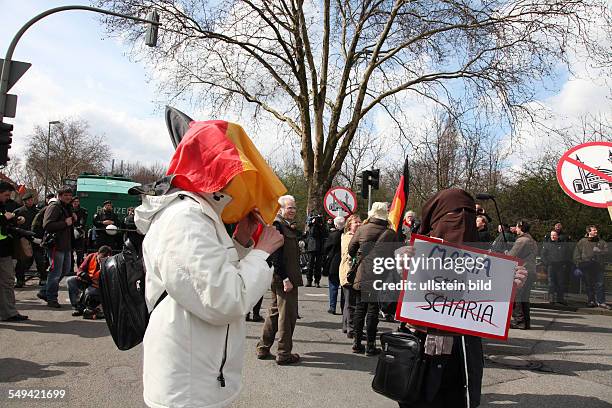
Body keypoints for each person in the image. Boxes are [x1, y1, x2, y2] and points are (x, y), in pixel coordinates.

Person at [137, 113, 286, 408]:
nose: (235, 181)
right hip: (189, 385)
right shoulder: (186, 219)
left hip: (198, 373)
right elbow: (223, 299)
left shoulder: (197, 214)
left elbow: (214, 273)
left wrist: (241, 242)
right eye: (229, 169)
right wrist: (261, 253)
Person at [397, 188, 527, 408]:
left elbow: (489, 311)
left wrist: (511, 286)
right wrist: (400, 270)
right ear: (437, 218)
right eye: (454, 213)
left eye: (468, 214)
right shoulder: (413, 253)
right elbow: (386, 305)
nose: (462, 221)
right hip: (421, 352)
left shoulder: (486, 263)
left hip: (463, 356)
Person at [257, 195, 303, 365]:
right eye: (289, 208)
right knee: (287, 317)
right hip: (284, 278)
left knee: (275, 313)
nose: (292, 211)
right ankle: (284, 353)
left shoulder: (284, 226)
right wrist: (285, 278)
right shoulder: (278, 226)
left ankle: (263, 347)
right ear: (281, 209)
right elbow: (276, 255)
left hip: (284, 277)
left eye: (294, 208)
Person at [348, 202, 396, 355]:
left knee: (360, 309)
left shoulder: (362, 229)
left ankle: (356, 343)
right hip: (379, 274)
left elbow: (351, 249)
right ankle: (370, 346)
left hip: (362, 272)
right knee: (373, 311)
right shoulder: (391, 233)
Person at [37, 186, 76, 308]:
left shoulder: (67, 207)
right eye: (65, 195)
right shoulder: (54, 207)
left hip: (66, 245)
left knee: (66, 269)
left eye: (70, 195)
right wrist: (65, 223)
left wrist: (72, 220)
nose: (68, 197)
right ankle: (51, 298)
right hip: (56, 245)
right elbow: (47, 224)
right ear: (59, 196)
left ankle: (44, 291)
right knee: (55, 272)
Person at [0, 181, 28, 322]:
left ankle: (9, 312)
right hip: (2, 250)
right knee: (7, 282)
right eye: (5, 195)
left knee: (7, 282)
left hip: (4, 251)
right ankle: (8, 312)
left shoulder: (4, 205)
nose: (7, 198)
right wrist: (5, 218)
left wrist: (15, 220)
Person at [66, 245, 112, 318]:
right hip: (87, 280)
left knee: (89, 291)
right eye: (100, 258)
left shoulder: (111, 263)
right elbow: (80, 269)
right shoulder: (91, 256)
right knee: (70, 280)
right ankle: (77, 307)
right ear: (98, 254)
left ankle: (87, 307)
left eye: (104, 259)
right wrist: (83, 275)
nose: (101, 261)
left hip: (99, 286)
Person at [508, 220, 538, 330]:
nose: (515, 229)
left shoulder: (522, 240)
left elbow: (512, 255)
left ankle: (519, 321)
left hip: (522, 272)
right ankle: (526, 322)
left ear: (520, 227)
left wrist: (506, 252)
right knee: (525, 297)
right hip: (531, 271)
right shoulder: (532, 240)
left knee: (517, 297)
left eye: (516, 227)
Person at [574, 225, 609, 309]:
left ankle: (601, 302)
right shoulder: (582, 241)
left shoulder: (601, 242)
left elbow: (608, 252)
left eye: (596, 230)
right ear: (589, 232)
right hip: (586, 265)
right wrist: (579, 263)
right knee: (589, 284)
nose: (596, 231)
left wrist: (600, 251)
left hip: (598, 266)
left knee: (600, 284)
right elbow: (576, 254)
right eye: (594, 230)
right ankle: (591, 300)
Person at [339, 214, 361, 337]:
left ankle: (346, 326)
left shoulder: (354, 236)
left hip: (351, 272)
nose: (358, 224)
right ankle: (350, 327)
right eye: (355, 222)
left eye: (359, 222)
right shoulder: (348, 237)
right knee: (350, 301)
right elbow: (349, 254)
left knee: (349, 300)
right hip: (349, 272)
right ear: (349, 225)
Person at [14, 192, 38, 288]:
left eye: (31, 200)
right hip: (22, 237)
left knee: (32, 259)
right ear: (24, 201)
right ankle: (20, 279)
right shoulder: (19, 211)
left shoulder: (36, 211)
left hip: (34, 237)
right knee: (22, 259)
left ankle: (22, 276)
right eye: (28, 200)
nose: (30, 202)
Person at [541, 230, 571, 305]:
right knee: (551, 283)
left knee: (560, 283)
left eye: (554, 235)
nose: (553, 237)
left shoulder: (563, 245)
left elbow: (567, 254)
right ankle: (551, 298)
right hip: (551, 266)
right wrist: (547, 263)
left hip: (560, 266)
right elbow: (543, 255)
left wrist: (565, 264)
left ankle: (560, 299)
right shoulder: (547, 245)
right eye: (552, 235)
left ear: (557, 236)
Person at [323, 216, 345, 314]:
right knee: (344, 288)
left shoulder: (333, 235)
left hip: (334, 263)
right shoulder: (346, 235)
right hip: (344, 263)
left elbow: (326, 248)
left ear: (335, 224)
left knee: (333, 286)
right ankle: (344, 307)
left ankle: (332, 307)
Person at [305, 213, 327, 287]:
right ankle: (309, 280)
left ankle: (317, 281)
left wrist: (320, 224)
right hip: (312, 247)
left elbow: (325, 234)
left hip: (320, 247)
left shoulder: (322, 226)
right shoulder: (311, 225)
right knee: (310, 265)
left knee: (318, 265)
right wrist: (314, 224)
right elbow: (312, 233)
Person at [71, 197, 88, 267]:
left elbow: (83, 221)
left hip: (80, 233)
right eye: (74, 201)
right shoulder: (68, 210)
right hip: (70, 233)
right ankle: (70, 268)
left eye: (77, 201)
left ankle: (80, 267)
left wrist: (79, 228)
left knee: (80, 253)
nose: (75, 203)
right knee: (70, 252)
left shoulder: (83, 211)